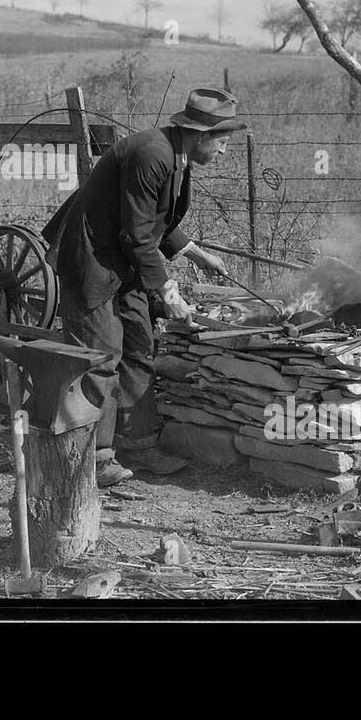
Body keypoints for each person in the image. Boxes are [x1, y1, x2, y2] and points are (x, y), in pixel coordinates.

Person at [41, 88, 243, 486]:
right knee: (100, 356)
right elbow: (136, 234)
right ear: (201, 135)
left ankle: (140, 443)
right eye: (222, 142)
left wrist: (196, 254)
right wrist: (168, 292)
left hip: (124, 260)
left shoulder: (175, 155)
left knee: (139, 347)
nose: (224, 152)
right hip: (92, 260)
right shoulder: (153, 153)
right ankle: (94, 459)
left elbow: (152, 221)